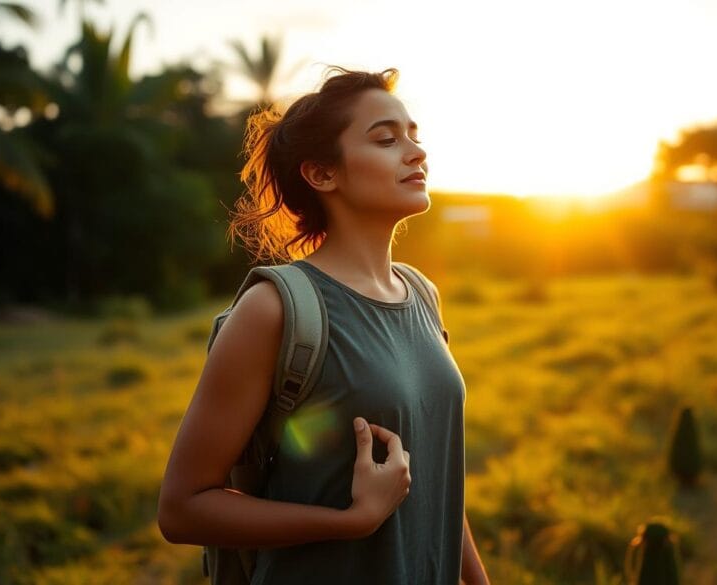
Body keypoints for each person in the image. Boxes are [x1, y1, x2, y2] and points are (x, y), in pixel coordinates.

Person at [157, 66, 490, 585]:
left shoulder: (423, 294)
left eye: (413, 135)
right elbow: (182, 509)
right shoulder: (274, 309)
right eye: (385, 139)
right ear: (321, 174)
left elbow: (434, 479)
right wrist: (349, 522)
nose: (416, 151)